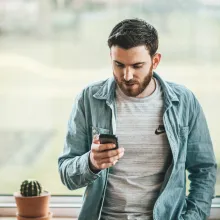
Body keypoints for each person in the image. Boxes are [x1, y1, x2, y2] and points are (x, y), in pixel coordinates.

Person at [58, 18, 217, 220]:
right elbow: (66, 174)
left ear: (155, 61)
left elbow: (204, 170)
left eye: (137, 65)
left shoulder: (184, 102)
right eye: (119, 64)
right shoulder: (88, 99)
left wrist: (192, 218)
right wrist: (91, 162)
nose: (127, 75)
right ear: (110, 57)